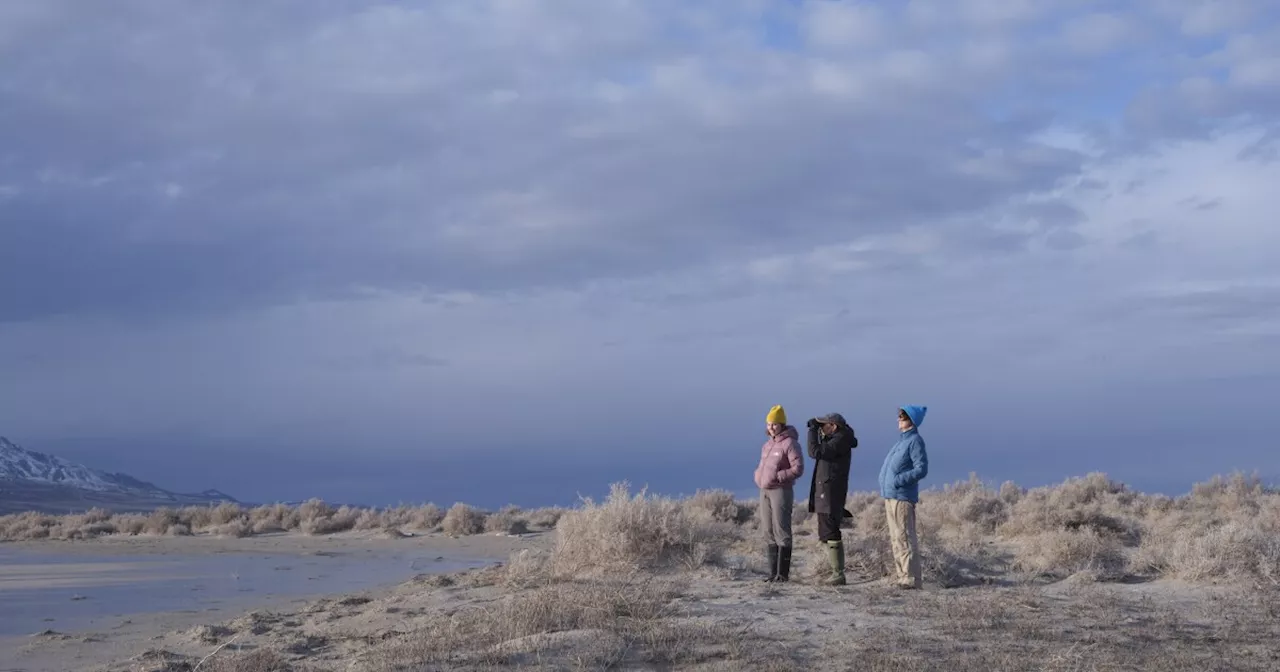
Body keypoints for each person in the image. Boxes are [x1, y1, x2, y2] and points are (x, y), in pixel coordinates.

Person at [878, 405, 929, 589]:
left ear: (912, 420)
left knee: (905, 537)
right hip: (890, 496)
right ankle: (901, 576)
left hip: (902, 496)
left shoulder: (915, 441)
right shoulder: (901, 442)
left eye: (903, 416)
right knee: (895, 538)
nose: (899, 418)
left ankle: (911, 579)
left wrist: (900, 480)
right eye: (899, 415)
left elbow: (921, 468)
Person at [806, 412, 857, 585]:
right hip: (826, 491)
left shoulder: (840, 440)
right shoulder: (837, 439)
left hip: (831, 492)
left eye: (823, 425)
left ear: (833, 426)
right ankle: (833, 571)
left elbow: (815, 452)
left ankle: (838, 573)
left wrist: (812, 431)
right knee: (825, 533)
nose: (821, 428)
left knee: (831, 531)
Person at [754, 405, 804, 582]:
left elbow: (798, 468)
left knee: (781, 529)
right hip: (765, 490)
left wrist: (779, 476)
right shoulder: (767, 445)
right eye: (769, 424)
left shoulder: (790, 443)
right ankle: (772, 573)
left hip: (781, 490)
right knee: (768, 530)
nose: (771, 427)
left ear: (782, 424)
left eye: (775, 424)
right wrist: (758, 475)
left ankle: (783, 574)